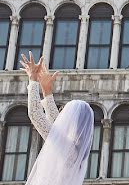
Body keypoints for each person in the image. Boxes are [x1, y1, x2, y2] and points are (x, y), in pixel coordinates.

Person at [19, 53, 94, 185]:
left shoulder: (69, 150)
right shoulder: (76, 153)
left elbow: (36, 115)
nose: (62, 116)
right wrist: (47, 91)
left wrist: (33, 80)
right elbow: (57, 124)